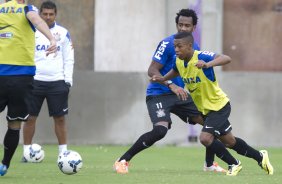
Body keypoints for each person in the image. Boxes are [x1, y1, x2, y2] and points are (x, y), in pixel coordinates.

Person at [113, 9, 225, 174]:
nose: (183, 28)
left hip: (180, 95)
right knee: (160, 130)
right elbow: (152, 70)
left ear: (194, 27)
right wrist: (172, 85)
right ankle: (122, 160)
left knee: (211, 123)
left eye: (187, 25)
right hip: (158, 93)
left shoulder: (194, 47)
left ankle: (209, 165)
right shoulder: (167, 44)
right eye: (180, 25)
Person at [151, 31, 274, 176]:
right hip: (206, 110)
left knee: (205, 138)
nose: (176, 50)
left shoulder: (201, 56)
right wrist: (163, 79)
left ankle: (234, 164)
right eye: (175, 46)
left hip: (219, 106)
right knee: (230, 141)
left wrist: (207, 64)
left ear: (189, 46)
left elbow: (226, 58)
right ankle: (260, 157)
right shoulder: (178, 61)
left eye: (179, 46)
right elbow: (175, 71)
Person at [0, 0, 57, 176]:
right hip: (21, 76)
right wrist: (51, 37)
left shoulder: (1, 8)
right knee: (14, 123)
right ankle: (4, 165)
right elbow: (37, 20)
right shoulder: (27, 8)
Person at [22, 0, 74, 160]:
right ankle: (26, 152)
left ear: (55, 15)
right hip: (35, 81)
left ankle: (63, 153)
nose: (48, 17)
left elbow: (69, 58)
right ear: (39, 14)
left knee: (60, 118)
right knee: (30, 118)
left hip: (57, 82)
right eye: (45, 14)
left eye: (51, 14)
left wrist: (68, 81)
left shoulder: (63, 33)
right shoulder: (31, 31)